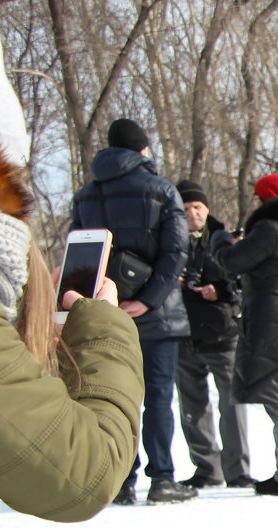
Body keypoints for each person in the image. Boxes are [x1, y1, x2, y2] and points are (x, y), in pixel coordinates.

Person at [0, 62, 144, 528]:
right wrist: (107, 324)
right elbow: (80, 473)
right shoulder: (153, 198)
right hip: (123, 325)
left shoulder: (96, 191)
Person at [70, 118, 195, 505]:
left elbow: (80, 251)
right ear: (143, 150)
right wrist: (149, 299)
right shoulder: (161, 190)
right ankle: (162, 479)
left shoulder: (86, 195)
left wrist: (102, 302)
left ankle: (121, 479)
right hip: (155, 315)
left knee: (112, 393)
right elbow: (176, 252)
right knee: (158, 396)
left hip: (104, 312)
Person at [212, 172, 278, 495]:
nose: (256, 203)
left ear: (268, 198)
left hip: (275, 321)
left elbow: (231, 262)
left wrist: (219, 238)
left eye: (259, 197)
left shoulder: (271, 228)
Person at [173, 179, 254, 489]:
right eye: (185, 209)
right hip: (184, 332)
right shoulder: (170, 240)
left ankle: (237, 470)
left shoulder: (226, 239)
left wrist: (219, 289)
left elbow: (244, 280)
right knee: (192, 407)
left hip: (223, 332)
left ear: (207, 209)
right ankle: (207, 468)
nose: (192, 213)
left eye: (197, 207)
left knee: (232, 406)